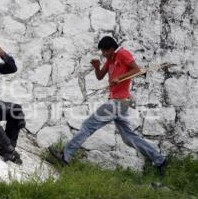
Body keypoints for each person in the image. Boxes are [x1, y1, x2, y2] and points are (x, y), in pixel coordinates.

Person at [49, 36, 167, 174]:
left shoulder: (122, 54)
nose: (103, 54)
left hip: (117, 102)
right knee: (129, 138)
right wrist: (96, 67)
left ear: (111, 49)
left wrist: (120, 78)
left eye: (105, 51)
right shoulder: (110, 59)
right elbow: (100, 76)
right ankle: (160, 160)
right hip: (119, 103)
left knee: (87, 126)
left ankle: (65, 156)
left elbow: (137, 70)